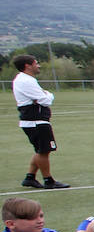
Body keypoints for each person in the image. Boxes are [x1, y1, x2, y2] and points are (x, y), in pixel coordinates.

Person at [13, 54, 69, 189]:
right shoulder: (26, 81)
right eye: (36, 63)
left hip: (36, 121)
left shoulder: (26, 79)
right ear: (28, 65)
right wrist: (47, 94)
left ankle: (30, 177)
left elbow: (42, 98)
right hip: (35, 122)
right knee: (43, 151)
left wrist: (44, 95)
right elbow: (46, 100)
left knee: (41, 150)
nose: (38, 66)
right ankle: (48, 180)